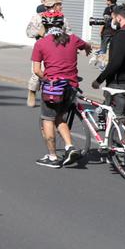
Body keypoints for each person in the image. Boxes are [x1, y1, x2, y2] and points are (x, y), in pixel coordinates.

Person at [30, 11, 91, 168]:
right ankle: (70, 147)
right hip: (71, 87)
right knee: (59, 117)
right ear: (62, 24)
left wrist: (48, 79)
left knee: (48, 120)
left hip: (54, 88)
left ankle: (52, 157)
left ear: (45, 25)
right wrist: (87, 49)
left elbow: (37, 70)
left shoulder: (41, 43)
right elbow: (86, 45)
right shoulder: (72, 39)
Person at [92, 4, 125, 116]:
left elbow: (116, 62)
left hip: (119, 81)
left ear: (119, 18)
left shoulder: (123, 35)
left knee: (116, 118)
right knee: (118, 115)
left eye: (113, 17)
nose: (112, 20)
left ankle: (117, 133)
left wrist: (99, 80)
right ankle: (118, 132)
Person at [25, 0, 65, 106]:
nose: (61, 7)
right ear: (53, 5)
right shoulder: (38, 17)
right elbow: (28, 32)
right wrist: (40, 32)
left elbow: (68, 32)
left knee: (56, 74)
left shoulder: (62, 18)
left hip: (58, 50)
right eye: (59, 4)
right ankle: (32, 92)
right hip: (42, 49)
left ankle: (52, 95)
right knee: (37, 74)